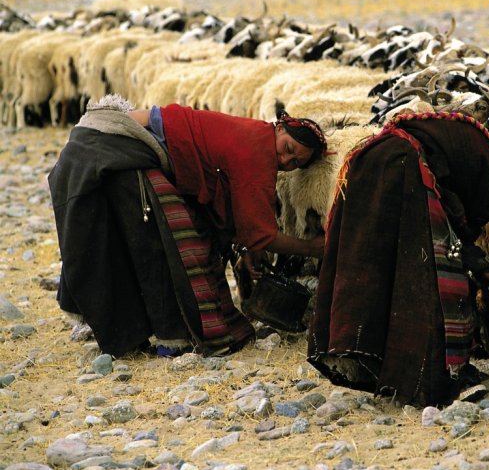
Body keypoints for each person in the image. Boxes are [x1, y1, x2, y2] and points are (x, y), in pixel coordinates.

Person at [307, 111, 489, 407]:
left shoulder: (486, 159)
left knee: (384, 271)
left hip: (370, 161)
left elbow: (453, 219)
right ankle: (433, 379)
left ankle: (383, 367)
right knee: (433, 276)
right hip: (403, 166)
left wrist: (486, 272)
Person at [48, 94, 327, 358]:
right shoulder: (259, 151)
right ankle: (177, 335)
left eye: (295, 163)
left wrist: (250, 245)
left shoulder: (253, 134)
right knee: (176, 243)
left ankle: (134, 330)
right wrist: (314, 248)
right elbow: (261, 234)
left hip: (95, 138)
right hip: (114, 142)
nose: (285, 161)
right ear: (279, 128)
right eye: (288, 149)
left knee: (157, 235)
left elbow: (245, 216)